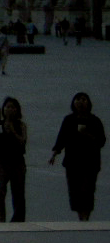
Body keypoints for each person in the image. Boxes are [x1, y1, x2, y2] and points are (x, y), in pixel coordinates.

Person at [48, 92, 103, 221]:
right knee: (75, 192)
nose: (80, 102)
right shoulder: (69, 120)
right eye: (78, 99)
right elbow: (62, 138)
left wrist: (87, 134)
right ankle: (81, 217)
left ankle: (85, 217)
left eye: (84, 99)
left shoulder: (94, 120)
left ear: (88, 103)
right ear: (73, 102)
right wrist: (55, 153)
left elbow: (101, 141)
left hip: (90, 163)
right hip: (72, 162)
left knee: (87, 190)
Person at [0, 96, 27, 221]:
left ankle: (18, 219)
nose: (9, 109)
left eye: (12, 107)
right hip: (1, 161)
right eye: (7, 107)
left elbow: (23, 142)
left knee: (18, 193)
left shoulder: (21, 125)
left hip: (17, 162)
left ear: (17, 110)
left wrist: (13, 132)